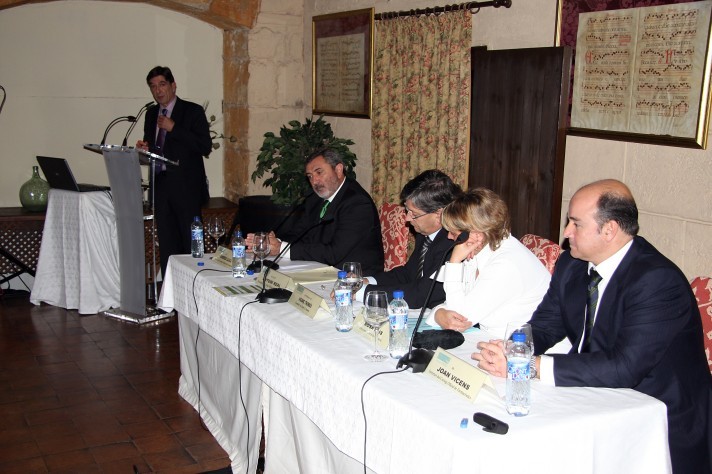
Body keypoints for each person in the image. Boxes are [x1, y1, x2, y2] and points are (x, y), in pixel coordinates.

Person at [473, 179, 711, 474]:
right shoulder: (571, 264)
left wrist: (531, 366)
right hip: (594, 397)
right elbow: (546, 325)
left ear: (609, 230)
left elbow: (625, 367)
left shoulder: (656, 280)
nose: (565, 233)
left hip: (657, 416)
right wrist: (512, 348)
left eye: (576, 224)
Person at [425, 188, 551, 338]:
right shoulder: (480, 252)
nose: (449, 238)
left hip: (522, 347)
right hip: (491, 339)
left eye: (453, 233)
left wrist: (455, 262)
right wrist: (439, 314)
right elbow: (453, 307)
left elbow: (460, 317)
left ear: (476, 234)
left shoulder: (506, 264)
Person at [250, 148, 384, 275]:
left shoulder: (357, 203)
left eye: (319, 172)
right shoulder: (315, 198)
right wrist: (272, 242)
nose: (314, 181)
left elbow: (334, 253)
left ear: (338, 170)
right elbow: (299, 233)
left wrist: (281, 249)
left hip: (354, 276)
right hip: (321, 268)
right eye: (310, 176)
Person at [136, 66, 212, 277]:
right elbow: (154, 148)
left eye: (162, 84)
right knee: (168, 245)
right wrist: (144, 149)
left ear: (173, 85)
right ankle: (170, 290)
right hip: (161, 187)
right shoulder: (151, 114)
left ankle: (194, 285)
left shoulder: (192, 111)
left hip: (186, 189)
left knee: (190, 245)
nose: (158, 90)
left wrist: (174, 128)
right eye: (153, 86)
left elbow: (204, 146)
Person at [357, 170, 461, 308]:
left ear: (439, 214)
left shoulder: (453, 242)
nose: (407, 218)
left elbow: (423, 294)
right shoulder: (425, 233)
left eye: (414, 214)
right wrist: (367, 281)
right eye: (407, 210)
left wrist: (363, 293)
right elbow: (408, 274)